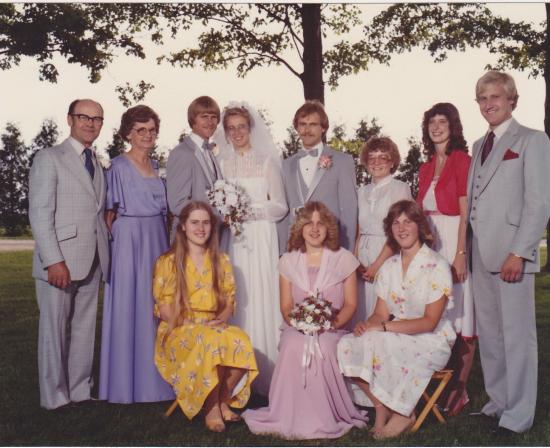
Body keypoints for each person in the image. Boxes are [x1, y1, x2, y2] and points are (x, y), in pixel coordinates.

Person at [243, 202, 368, 440]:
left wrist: (330, 325)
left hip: (333, 328)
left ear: (329, 228)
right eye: (309, 223)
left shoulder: (345, 259)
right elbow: (286, 307)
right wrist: (301, 325)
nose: (314, 228)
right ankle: (288, 414)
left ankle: (324, 416)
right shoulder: (288, 261)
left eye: (321, 223)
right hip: (297, 327)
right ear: (300, 228)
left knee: (324, 347)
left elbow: (351, 304)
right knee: (292, 345)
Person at [468, 71, 550, 433]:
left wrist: (520, 251)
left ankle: (518, 415)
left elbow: (539, 203)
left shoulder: (533, 140)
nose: (489, 104)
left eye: (496, 97)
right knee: (491, 335)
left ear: (512, 100)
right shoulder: (478, 145)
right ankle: (498, 403)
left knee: (517, 337)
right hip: (480, 253)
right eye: (483, 98)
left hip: (511, 254)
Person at [337, 200, 456, 440]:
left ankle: (403, 412)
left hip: (430, 339)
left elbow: (429, 322)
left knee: (382, 342)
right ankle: (383, 407)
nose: (401, 228)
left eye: (408, 222)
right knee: (346, 344)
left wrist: (383, 327)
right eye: (396, 223)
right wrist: (368, 325)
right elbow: (380, 314)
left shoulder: (437, 265)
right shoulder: (389, 266)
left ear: (419, 226)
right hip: (394, 333)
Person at [28, 99, 110, 409]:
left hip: (92, 259)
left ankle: (79, 390)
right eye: (83, 117)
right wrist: (54, 261)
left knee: (84, 329)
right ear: (70, 119)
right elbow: (40, 213)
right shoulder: (49, 158)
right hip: (60, 261)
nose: (90, 123)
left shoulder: (96, 162)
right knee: (54, 331)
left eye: (97, 119)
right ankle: (54, 397)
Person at [152, 201, 258, 433]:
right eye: (194, 223)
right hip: (178, 326)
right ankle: (211, 409)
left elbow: (229, 301)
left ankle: (222, 399)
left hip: (212, 323)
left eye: (206, 223)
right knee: (210, 341)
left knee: (241, 340)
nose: (200, 228)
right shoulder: (168, 262)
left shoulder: (221, 260)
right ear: (183, 226)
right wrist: (189, 323)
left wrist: (222, 319)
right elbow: (164, 307)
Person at [98, 105, 174, 403]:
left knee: (157, 304)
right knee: (130, 305)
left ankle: (158, 381)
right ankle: (125, 384)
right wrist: (120, 247)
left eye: (152, 130)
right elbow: (108, 214)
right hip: (129, 240)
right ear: (128, 133)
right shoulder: (117, 167)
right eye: (140, 130)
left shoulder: (157, 166)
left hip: (157, 237)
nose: (147, 135)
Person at [212, 102, 287, 395]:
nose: (236, 133)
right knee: (238, 293)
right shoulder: (221, 164)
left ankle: (267, 370)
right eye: (231, 128)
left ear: (250, 128)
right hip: (234, 238)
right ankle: (235, 372)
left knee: (261, 292)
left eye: (241, 127)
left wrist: (247, 210)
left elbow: (279, 206)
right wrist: (228, 213)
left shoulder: (266, 162)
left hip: (261, 235)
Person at [416, 102, 475, 416]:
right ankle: (430, 385)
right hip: (431, 246)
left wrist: (460, 253)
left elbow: (465, 213)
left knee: (461, 316)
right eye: (432, 122)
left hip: (454, 240)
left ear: (453, 127)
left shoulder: (462, 160)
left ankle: (458, 391)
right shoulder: (425, 167)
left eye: (443, 122)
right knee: (434, 315)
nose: (437, 127)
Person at [277, 100, 357, 253]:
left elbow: (349, 211)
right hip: (295, 249)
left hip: (330, 247)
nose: (307, 130)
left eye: (313, 124)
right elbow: (284, 212)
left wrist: (346, 251)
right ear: (296, 127)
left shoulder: (342, 161)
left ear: (323, 128)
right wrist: (283, 251)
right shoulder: (285, 165)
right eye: (302, 124)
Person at [354, 137, 411, 326]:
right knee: (361, 311)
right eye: (372, 157)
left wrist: (377, 264)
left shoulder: (400, 189)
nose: (376, 162)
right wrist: (356, 261)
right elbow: (358, 229)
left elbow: (400, 232)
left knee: (382, 309)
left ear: (392, 162)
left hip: (387, 253)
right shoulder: (361, 191)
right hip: (362, 257)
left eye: (383, 157)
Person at [166, 96, 223, 237]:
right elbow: (178, 204)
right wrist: (216, 216)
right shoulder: (181, 153)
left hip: (210, 237)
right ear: (193, 120)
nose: (210, 122)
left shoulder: (210, 151)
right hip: (189, 238)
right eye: (204, 117)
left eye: (213, 117)